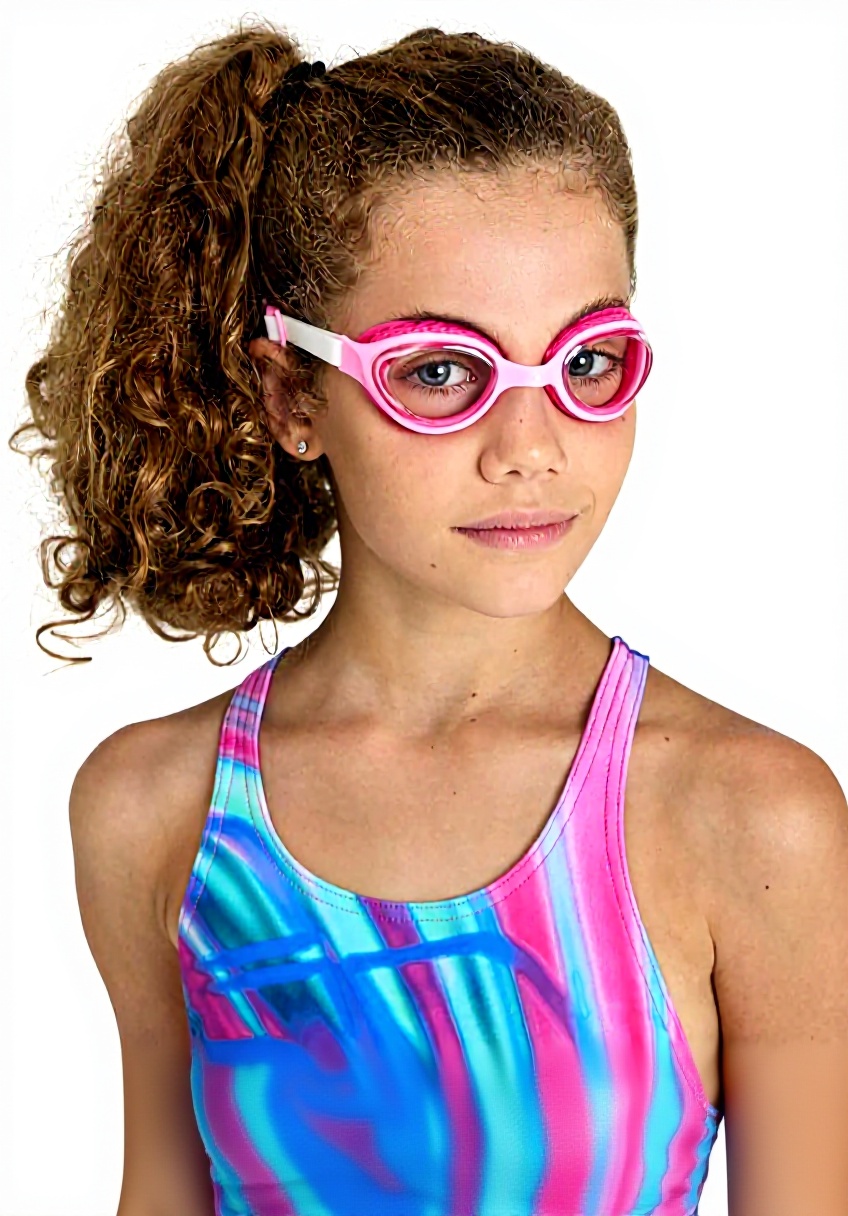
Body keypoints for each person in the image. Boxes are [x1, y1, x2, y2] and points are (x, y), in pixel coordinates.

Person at [11, 18, 848, 1216]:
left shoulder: (751, 815)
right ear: (291, 396)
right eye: (441, 371)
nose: (530, 449)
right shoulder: (154, 810)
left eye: (587, 362)